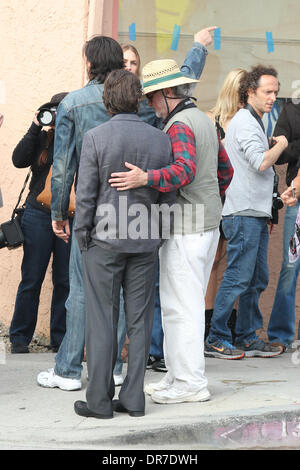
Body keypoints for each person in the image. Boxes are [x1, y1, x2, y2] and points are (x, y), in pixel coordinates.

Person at [37, 28, 217, 391]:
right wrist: (198, 49)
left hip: (93, 217)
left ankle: (70, 371)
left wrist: (60, 213)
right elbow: (176, 92)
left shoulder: (72, 104)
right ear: (122, 66)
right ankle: (117, 371)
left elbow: (64, 170)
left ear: (88, 63)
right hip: (139, 220)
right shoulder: (147, 110)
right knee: (128, 299)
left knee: (82, 294)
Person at [109, 58, 225, 404]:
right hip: (206, 224)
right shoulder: (204, 120)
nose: (149, 104)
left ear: (168, 93)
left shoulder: (177, 125)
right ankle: (178, 377)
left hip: (187, 228)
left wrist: (146, 177)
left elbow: (185, 170)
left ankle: (190, 383)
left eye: (152, 97)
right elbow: (225, 171)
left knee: (181, 308)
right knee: (184, 305)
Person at [73, 69, 176, 419]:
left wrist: (82, 235)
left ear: (107, 100)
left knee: (102, 320)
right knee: (140, 321)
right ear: (137, 99)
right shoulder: (161, 139)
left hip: (103, 241)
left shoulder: (96, 137)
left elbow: (86, 195)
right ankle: (133, 400)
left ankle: (99, 401)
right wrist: (158, 234)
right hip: (145, 241)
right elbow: (169, 193)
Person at [205, 65, 288, 359]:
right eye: (267, 92)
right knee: (240, 277)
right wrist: (282, 143)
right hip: (242, 213)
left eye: (276, 92)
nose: (272, 97)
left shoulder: (253, 122)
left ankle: (246, 336)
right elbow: (261, 162)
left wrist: (276, 202)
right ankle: (216, 337)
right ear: (249, 92)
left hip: (255, 211)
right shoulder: (246, 122)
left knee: (256, 278)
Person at [9, 93, 71, 354]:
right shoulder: (43, 137)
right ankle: (20, 338)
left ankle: (60, 339)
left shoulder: (78, 139)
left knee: (65, 280)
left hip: (69, 215)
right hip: (37, 214)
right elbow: (18, 160)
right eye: (53, 112)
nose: (57, 117)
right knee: (31, 278)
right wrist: (36, 126)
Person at [205, 68, 246, 340]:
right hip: (218, 197)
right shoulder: (212, 119)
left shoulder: (250, 122)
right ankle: (208, 321)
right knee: (212, 261)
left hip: (242, 200)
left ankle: (227, 321)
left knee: (237, 263)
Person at [267, 100, 300, 349]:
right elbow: (280, 155)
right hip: (296, 199)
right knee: (290, 265)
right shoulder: (292, 109)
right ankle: (280, 335)